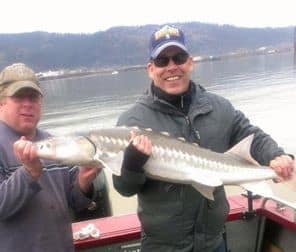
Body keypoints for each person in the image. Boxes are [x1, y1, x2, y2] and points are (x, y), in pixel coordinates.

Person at [112, 25, 295, 252]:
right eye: (162, 61)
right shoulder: (132, 121)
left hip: (214, 241)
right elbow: (124, 189)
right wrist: (132, 163)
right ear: (151, 69)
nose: (172, 67)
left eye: (178, 58)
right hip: (163, 247)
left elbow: (252, 136)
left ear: (190, 62)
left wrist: (276, 155)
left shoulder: (219, 107)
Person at [0, 63, 101, 252]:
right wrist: (29, 173)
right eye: (19, 97)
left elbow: (77, 203)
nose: (28, 104)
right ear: (1, 102)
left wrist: (84, 181)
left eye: (33, 97)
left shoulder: (55, 143)